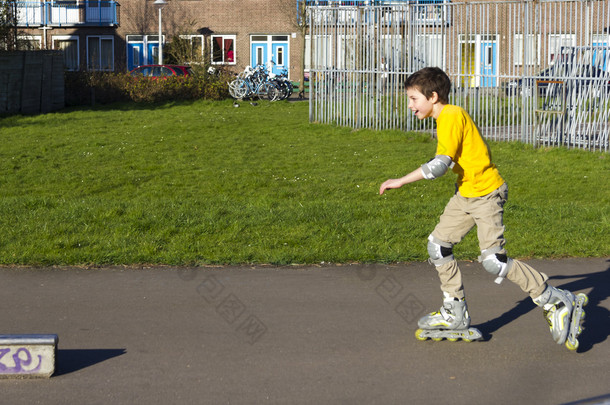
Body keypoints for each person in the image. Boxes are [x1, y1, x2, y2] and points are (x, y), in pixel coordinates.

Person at [379, 67, 586, 348]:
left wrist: (400, 181)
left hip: (487, 194)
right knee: (438, 247)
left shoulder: (451, 115)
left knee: (493, 261)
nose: (410, 105)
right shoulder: (445, 118)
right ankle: (454, 312)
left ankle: (554, 299)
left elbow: (440, 165)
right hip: (466, 194)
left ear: (433, 96)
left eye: (414, 98)